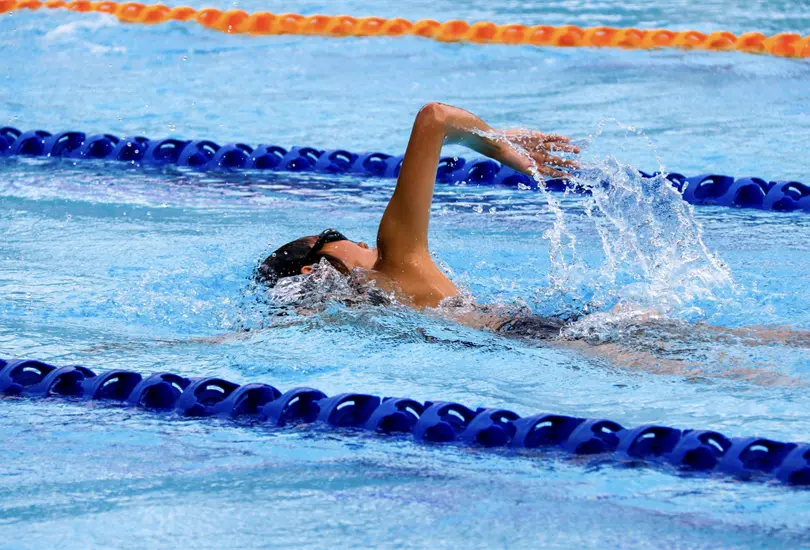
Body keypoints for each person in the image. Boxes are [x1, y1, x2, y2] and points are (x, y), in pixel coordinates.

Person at [255, 102, 579, 338]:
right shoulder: (394, 259)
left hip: (532, 339)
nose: (362, 242)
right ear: (314, 270)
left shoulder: (376, 314)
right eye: (333, 235)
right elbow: (434, 117)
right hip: (546, 334)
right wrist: (501, 146)